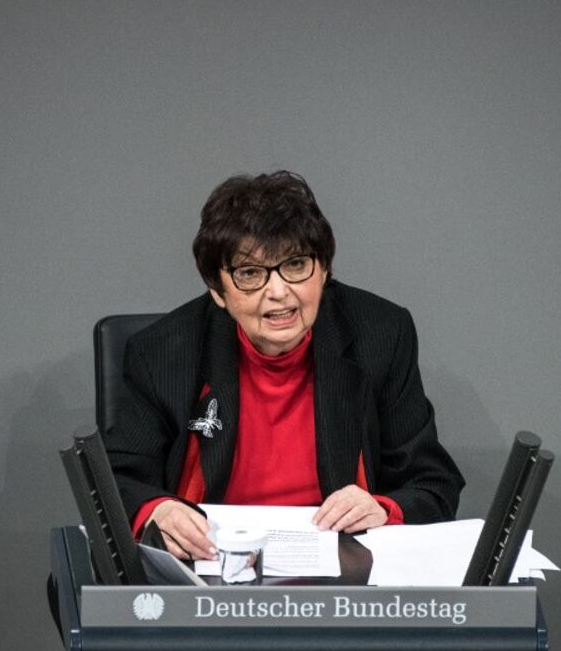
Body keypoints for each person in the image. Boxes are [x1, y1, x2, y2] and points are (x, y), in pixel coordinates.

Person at [105, 171, 464, 560]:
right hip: (209, 564)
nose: (278, 292)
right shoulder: (163, 351)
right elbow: (117, 477)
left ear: (324, 269)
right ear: (217, 290)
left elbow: (432, 483)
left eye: (295, 265)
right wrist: (156, 508)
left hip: (342, 566)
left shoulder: (380, 335)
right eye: (249, 273)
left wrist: (383, 508)